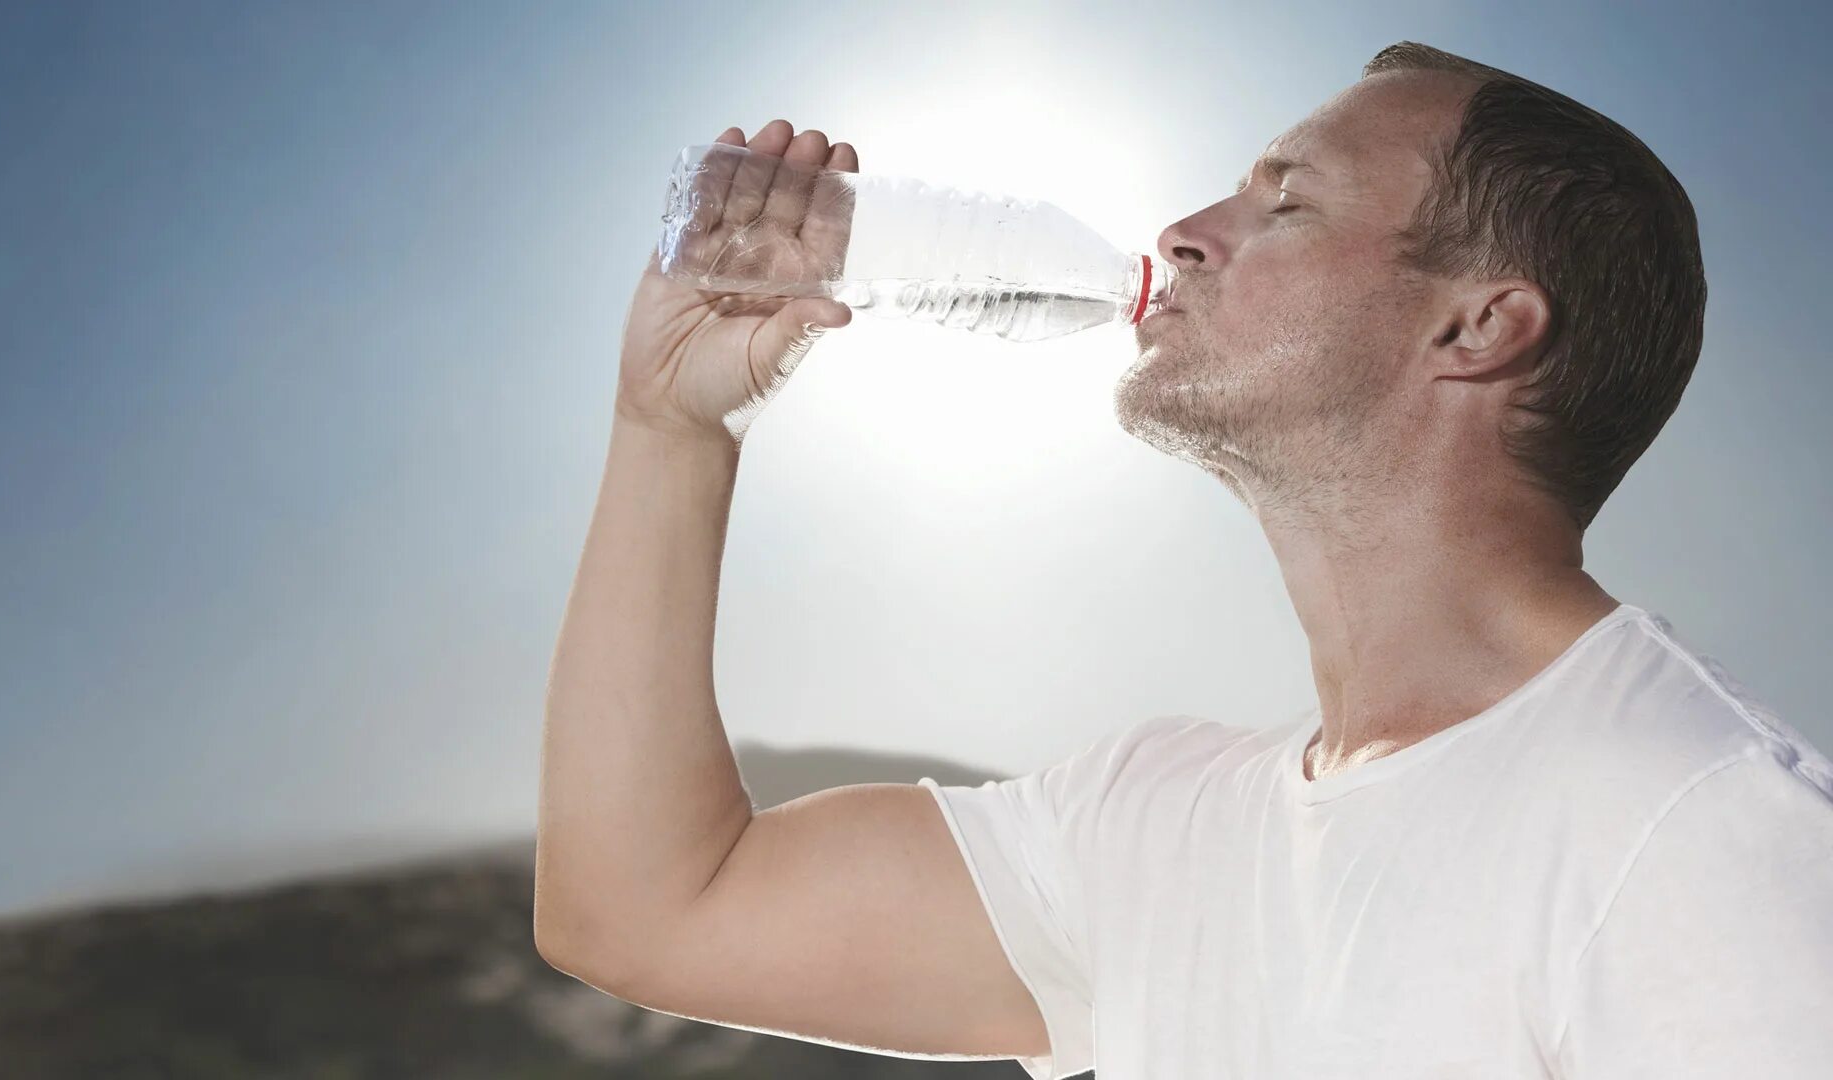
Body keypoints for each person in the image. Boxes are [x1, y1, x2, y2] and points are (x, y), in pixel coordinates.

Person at [533, 40, 1833, 1078]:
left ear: (1477, 326)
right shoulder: (1153, 822)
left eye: (1289, 200)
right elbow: (650, 910)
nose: (1187, 231)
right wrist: (673, 430)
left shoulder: (1700, 831)